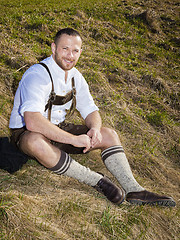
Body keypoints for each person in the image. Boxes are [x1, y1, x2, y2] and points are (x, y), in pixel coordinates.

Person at [9, 27, 176, 207]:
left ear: (81, 52)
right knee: (35, 142)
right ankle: (96, 180)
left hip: (59, 128)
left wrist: (95, 129)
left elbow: (90, 110)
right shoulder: (37, 75)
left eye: (75, 50)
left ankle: (134, 189)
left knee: (109, 134)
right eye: (65, 48)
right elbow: (32, 121)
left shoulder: (76, 77)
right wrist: (73, 140)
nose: (70, 55)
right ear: (53, 48)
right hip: (27, 133)